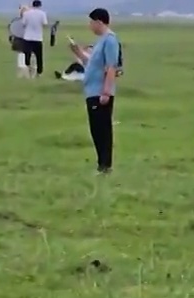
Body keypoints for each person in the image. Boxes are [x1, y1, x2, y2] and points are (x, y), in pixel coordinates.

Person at [69, 8, 119, 174]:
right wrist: (78, 52)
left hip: (100, 92)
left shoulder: (110, 40)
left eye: (91, 22)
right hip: (91, 91)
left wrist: (106, 91)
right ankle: (101, 164)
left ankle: (105, 165)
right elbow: (92, 64)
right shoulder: (100, 41)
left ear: (99, 22)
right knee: (96, 129)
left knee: (102, 130)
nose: (90, 26)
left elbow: (111, 67)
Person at [19, 1, 48, 78]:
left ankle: (28, 68)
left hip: (27, 38)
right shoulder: (42, 13)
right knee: (39, 57)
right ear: (40, 5)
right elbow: (45, 24)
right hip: (38, 38)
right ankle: (39, 72)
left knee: (27, 54)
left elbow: (23, 24)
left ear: (32, 5)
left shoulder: (26, 13)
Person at [9, 11, 26, 78]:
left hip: (18, 43)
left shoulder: (15, 21)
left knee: (21, 60)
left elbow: (11, 30)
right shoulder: (26, 22)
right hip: (23, 43)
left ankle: (21, 76)